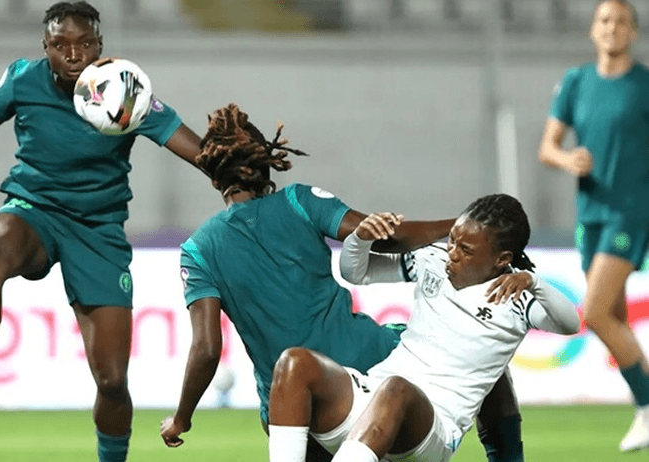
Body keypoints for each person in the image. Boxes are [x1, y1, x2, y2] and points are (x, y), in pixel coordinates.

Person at [0, 2, 202, 462]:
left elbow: (194, 148)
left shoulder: (124, 89)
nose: (74, 54)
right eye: (61, 45)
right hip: (35, 209)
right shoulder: (22, 80)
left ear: (100, 46)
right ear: (44, 47)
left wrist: (235, 169)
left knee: (111, 381)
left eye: (84, 43)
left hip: (98, 229)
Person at [160, 103, 527, 462]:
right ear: (266, 161)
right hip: (370, 363)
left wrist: (182, 419)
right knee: (476, 355)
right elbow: (384, 235)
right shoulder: (299, 201)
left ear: (213, 178)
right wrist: (469, 227)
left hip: (295, 408)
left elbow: (208, 349)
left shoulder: (199, 250)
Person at [267, 193, 581, 462]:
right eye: (453, 240)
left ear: (502, 259)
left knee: (396, 389)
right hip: (372, 402)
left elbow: (569, 323)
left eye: (466, 249)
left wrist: (534, 282)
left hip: (430, 428)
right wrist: (360, 239)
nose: (452, 254)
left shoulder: (515, 297)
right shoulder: (431, 260)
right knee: (295, 363)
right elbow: (356, 273)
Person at [536, 0, 649, 452]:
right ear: (592, 29)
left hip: (631, 212)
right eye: (604, 20)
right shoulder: (576, 82)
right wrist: (568, 158)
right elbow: (548, 147)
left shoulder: (644, 86)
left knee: (596, 311)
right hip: (591, 215)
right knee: (615, 318)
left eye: (622, 21)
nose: (612, 27)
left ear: (634, 34)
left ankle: (646, 406)